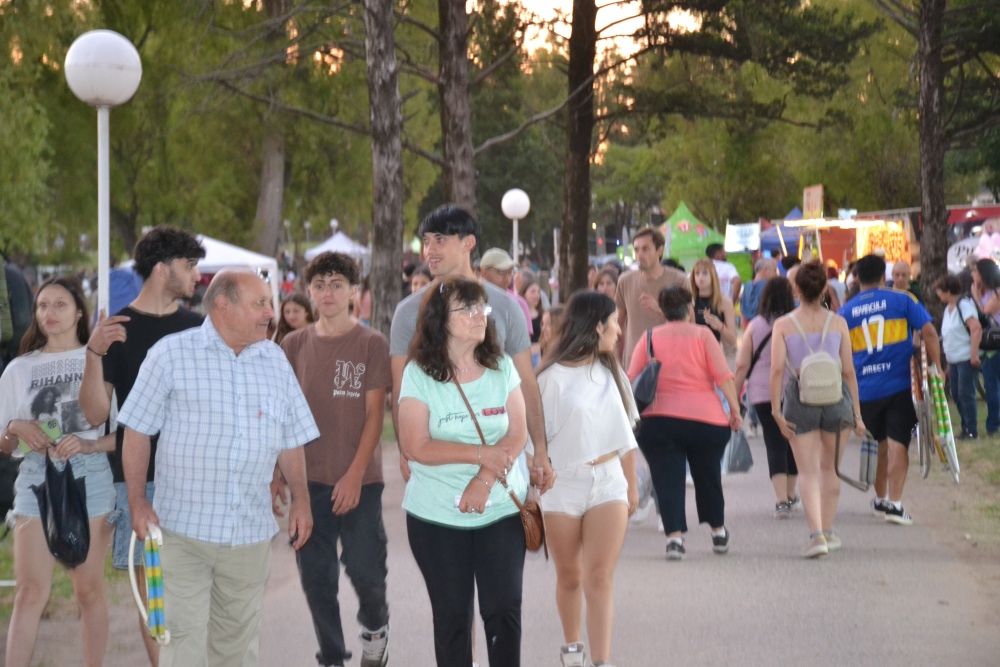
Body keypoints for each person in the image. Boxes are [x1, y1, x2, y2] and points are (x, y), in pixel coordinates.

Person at [118, 270, 319, 667]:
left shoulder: (275, 359)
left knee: (237, 651)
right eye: (259, 302)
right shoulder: (170, 354)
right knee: (183, 647)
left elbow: (290, 437)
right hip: (182, 533)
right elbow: (137, 431)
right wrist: (138, 500)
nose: (269, 312)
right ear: (223, 306)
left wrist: (302, 500)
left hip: (249, 534)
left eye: (269, 302)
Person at [78, 226, 206, 666]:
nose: (197, 276)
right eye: (189, 265)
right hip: (139, 485)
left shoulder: (199, 327)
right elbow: (95, 415)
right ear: (160, 269)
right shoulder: (117, 330)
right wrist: (92, 355)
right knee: (155, 604)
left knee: (192, 600)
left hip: (196, 483)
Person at [397, 276, 528, 667]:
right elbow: (415, 446)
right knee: (453, 619)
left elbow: (517, 432)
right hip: (436, 517)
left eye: (481, 308)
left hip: (501, 508)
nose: (478, 316)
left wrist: (484, 479)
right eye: (466, 309)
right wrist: (481, 454)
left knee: (503, 611)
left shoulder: (501, 365)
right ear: (440, 320)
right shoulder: (418, 373)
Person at [390, 206, 552, 493]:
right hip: (436, 473)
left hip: (499, 472)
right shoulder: (407, 313)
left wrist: (540, 448)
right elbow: (401, 386)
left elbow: (526, 383)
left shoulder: (506, 307)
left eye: (440, 240)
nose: (430, 250)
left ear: (469, 243)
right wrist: (406, 448)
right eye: (426, 241)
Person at [280, 252, 391, 667]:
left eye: (337, 285)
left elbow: (376, 415)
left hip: (360, 481)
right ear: (309, 292)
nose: (328, 293)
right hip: (307, 484)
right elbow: (284, 416)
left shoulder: (370, 343)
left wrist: (354, 475)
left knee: (366, 571)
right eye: (320, 286)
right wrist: (280, 476)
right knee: (316, 578)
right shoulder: (292, 345)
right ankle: (331, 654)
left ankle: (376, 628)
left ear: (353, 293)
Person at [1, 276, 116, 667]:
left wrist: (87, 444)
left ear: (80, 312)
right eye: (42, 305)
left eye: (60, 305)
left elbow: (123, 436)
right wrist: (16, 428)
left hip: (91, 477)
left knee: (88, 592)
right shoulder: (18, 369)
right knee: (30, 593)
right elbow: (3, 443)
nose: (50, 313)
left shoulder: (97, 357)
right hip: (35, 476)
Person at [534, 291, 639, 667]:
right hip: (563, 485)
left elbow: (625, 433)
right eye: (614, 322)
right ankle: (572, 647)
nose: (620, 330)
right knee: (571, 576)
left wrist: (631, 482)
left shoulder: (612, 370)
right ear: (597, 325)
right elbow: (536, 441)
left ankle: (602, 661)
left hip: (609, 481)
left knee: (599, 577)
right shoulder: (548, 378)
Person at [627, 285, 741, 560]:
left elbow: (630, 377)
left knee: (667, 479)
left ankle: (674, 540)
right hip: (706, 420)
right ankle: (718, 532)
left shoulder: (649, 337)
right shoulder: (703, 335)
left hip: (658, 421)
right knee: (708, 475)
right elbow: (723, 376)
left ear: (663, 311)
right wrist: (735, 410)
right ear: (690, 309)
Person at [770, 263, 864, 557]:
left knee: (808, 472)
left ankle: (816, 536)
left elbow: (775, 370)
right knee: (830, 469)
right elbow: (849, 371)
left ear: (795, 288)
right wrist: (858, 415)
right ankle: (828, 530)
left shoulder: (784, 325)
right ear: (826, 288)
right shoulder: (837, 323)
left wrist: (776, 410)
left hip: (801, 400)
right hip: (838, 400)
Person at [839, 254, 940, 526]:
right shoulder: (903, 299)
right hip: (899, 386)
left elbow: (838, 352)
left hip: (865, 390)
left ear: (857, 277)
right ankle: (895, 504)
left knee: (878, 446)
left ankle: (881, 498)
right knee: (898, 444)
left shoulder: (845, 312)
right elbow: (929, 332)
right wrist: (937, 368)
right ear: (884, 276)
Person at [733, 276, 800, 518]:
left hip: (762, 393)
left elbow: (742, 365)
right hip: (797, 393)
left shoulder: (756, 325)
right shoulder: (797, 323)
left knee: (774, 442)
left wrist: (733, 397)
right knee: (793, 442)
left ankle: (781, 501)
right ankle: (791, 496)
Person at [614, 227, 687, 369]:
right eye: (636, 249)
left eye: (645, 249)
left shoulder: (679, 280)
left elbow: (688, 324)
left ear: (660, 250)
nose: (639, 255)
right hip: (634, 367)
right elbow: (618, 327)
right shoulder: (625, 281)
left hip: (671, 364)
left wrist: (660, 308)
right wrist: (618, 364)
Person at [934, 275, 981, 440]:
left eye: (940, 291)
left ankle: (972, 430)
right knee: (955, 392)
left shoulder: (964, 306)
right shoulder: (948, 309)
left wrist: (973, 353)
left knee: (965, 392)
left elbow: (976, 328)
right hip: (953, 359)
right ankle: (965, 426)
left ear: (948, 291)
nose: (938, 295)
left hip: (965, 357)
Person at [690, 259, 738, 367]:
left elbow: (732, 338)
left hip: (716, 355)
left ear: (713, 276)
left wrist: (720, 326)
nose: (700, 278)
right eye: (697, 274)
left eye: (705, 273)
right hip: (694, 355)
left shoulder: (724, 302)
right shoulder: (690, 302)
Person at [971, 258, 1000, 436]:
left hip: (996, 344)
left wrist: (975, 295)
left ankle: (993, 425)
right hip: (990, 346)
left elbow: (983, 314)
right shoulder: (987, 292)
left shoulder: (996, 293)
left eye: (975, 271)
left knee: (992, 385)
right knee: (991, 384)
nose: (972, 275)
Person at [480, 248, 533, 339]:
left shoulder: (519, 304)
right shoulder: (471, 302)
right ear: (484, 272)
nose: (507, 279)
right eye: (501, 272)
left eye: (510, 272)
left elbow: (524, 346)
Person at [740, 258, 778, 323]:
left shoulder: (748, 285)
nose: (776, 274)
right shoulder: (769, 286)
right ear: (765, 270)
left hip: (748, 326)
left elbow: (742, 310)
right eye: (774, 270)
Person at [519, 276, 545, 367]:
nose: (537, 295)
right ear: (524, 293)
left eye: (538, 292)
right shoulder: (518, 315)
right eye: (533, 291)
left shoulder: (544, 315)